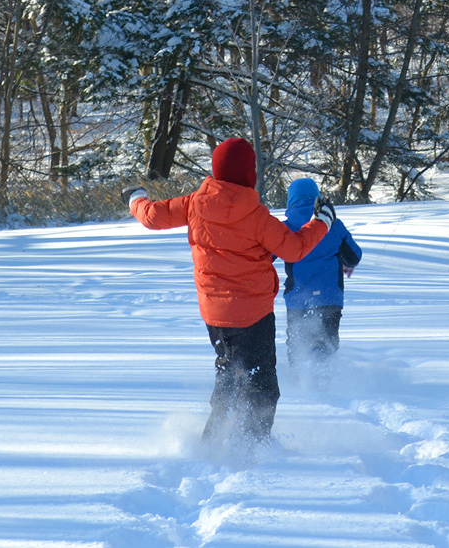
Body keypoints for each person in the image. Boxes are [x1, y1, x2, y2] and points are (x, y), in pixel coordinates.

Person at [122, 137, 335, 442]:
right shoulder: (255, 216)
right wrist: (322, 221)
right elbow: (294, 248)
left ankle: (213, 442)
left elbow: (153, 216)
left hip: (214, 315)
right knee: (261, 386)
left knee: (229, 374)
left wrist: (136, 199)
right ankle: (253, 447)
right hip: (253, 316)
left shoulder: (195, 203)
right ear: (250, 174)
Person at [280, 177, 363, 371]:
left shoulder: (285, 228)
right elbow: (354, 256)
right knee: (327, 342)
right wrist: (344, 260)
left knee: (297, 345)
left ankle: (300, 380)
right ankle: (325, 378)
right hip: (330, 297)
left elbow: (265, 257)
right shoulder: (333, 224)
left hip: (297, 300)